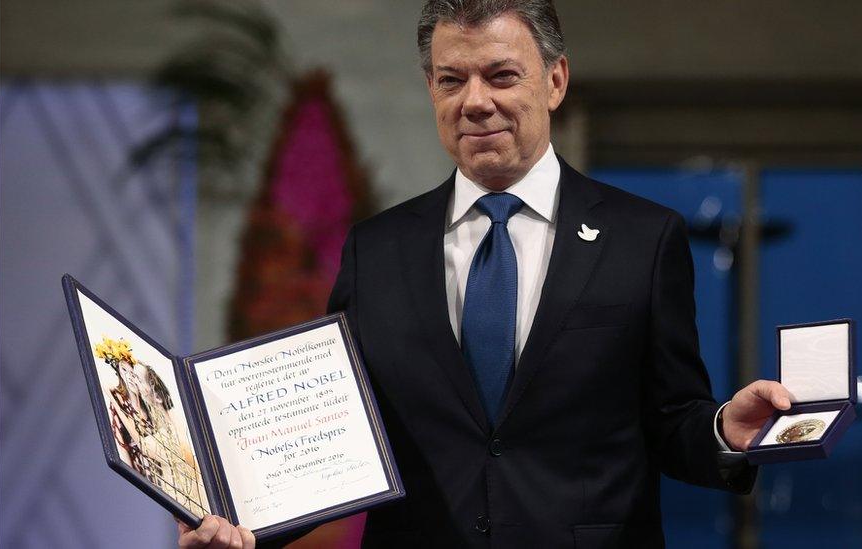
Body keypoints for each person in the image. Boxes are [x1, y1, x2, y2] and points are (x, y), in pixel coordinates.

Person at [179, 1, 793, 547]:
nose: (475, 102)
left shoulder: (644, 239)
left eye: (501, 75)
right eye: (452, 80)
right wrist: (246, 521)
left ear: (555, 81)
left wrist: (724, 430)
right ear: (431, 90)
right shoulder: (376, 248)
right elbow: (339, 437)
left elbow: (670, 418)